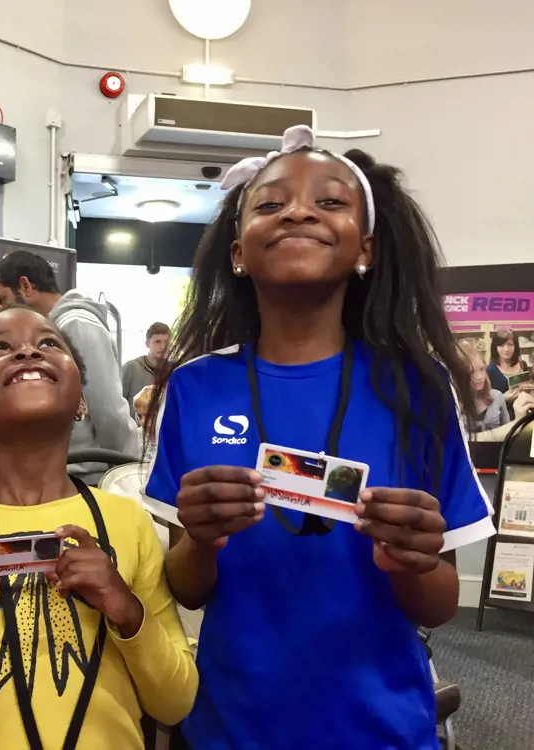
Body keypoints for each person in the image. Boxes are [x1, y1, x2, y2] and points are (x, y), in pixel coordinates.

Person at [143, 125, 495, 750]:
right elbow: (188, 587)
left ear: (366, 248)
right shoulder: (195, 388)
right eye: (271, 203)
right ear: (237, 253)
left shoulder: (417, 386)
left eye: (329, 202)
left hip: (381, 727)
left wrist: (411, 560)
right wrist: (200, 540)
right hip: (231, 725)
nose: (299, 211)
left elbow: (439, 603)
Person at [0, 306, 197, 749]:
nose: (28, 351)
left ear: (81, 400)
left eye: (49, 343)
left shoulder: (128, 521)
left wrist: (126, 609)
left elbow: (175, 702)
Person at [0, 251, 139, 479]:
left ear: (26, 286)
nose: (1, 310)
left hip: (91, 478)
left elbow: (108, 410)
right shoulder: (52, 330)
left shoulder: (77, 324)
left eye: (2, 300)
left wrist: (130, 467)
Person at [121, 322, 170, 417]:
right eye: (157, 342)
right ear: (147, 344)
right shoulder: (131, 368)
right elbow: (118, 401)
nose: (162, 347)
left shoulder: (173, 371)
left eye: (166, 342)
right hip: (135, 428)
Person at [461, 340, 510, 432]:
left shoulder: (497, 396)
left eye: (481, 369)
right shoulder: (453, 404)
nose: (479, 376)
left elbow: (508, 433)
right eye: (471, 372)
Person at [485, 328, 531, 418]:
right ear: (495, 347)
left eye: (510, 344)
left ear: (515, 346)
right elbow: (486, 401)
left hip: (525, 414)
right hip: (504, 418)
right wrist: (503, 398)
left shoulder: (522, 364)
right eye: (501, 345)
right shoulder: (490, 370)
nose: (506, 349)